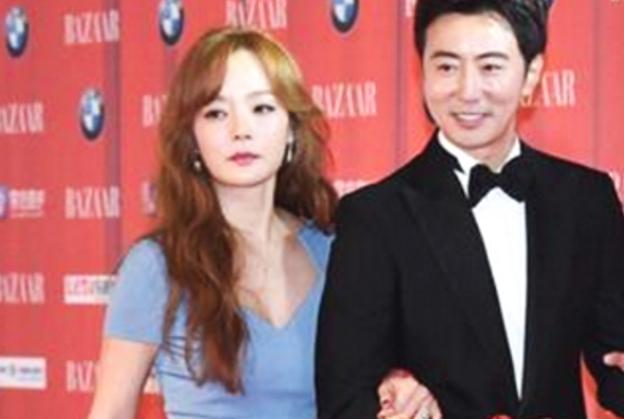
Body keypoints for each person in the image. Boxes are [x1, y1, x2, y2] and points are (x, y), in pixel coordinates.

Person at [315, 1, 624, 418]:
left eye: (490, 66)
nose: (467, 90)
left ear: (531, 74)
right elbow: (344, 399)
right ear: (422, 71)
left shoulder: (586, 200)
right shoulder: (374, 218)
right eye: (446, 67)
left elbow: (614, 361)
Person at [87, 26, 411, 419]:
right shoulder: (158, 266)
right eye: (216, 113)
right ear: (192, 139)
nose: (240, 130)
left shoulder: (335, 252)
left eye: (261, 108)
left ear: (291, 129)